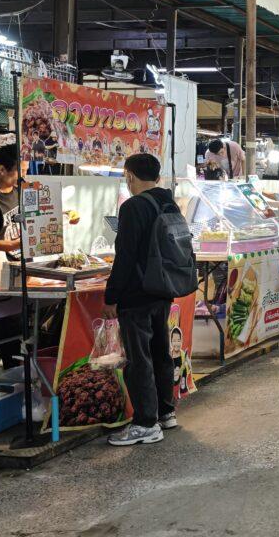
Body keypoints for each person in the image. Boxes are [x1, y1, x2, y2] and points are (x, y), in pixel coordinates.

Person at [103, 154, 184, 446]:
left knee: (139, 359)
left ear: (130, 175)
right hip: (163, 289)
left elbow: (124, 256)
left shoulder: (134, 206)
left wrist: (111, 295)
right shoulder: (168, 202)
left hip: (136, 294)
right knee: (161, 351)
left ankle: (145, 424)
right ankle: (166, 412)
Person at [0, 144, 22, 289]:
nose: (23, 175)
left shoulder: (20, 192)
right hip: (2, 275)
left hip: (25, 268)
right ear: (2, 170)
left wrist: (66, 215)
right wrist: (19, 244)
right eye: (20, 170)